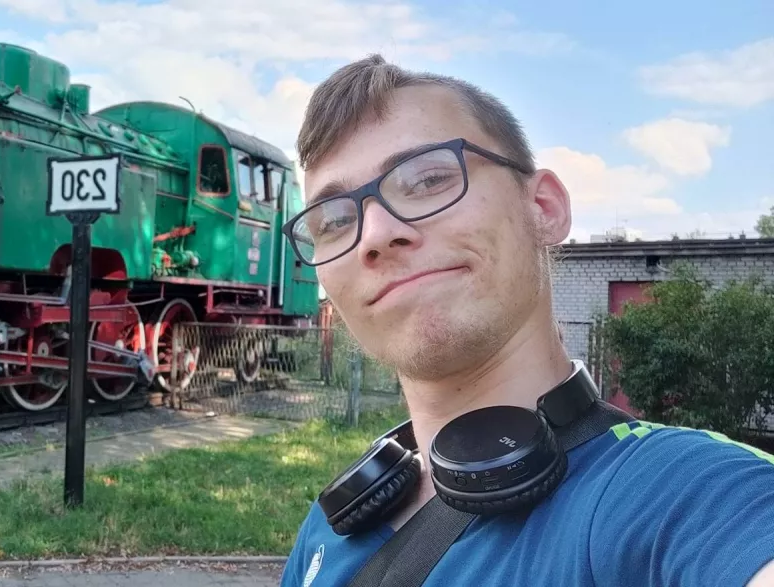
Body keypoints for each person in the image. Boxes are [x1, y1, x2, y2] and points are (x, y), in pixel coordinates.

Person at [279, 54, 774, 587]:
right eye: (333, 221)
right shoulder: (328, 534)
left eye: (426, 180)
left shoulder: (685, 494)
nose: (374, 235)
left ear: (543, 208)